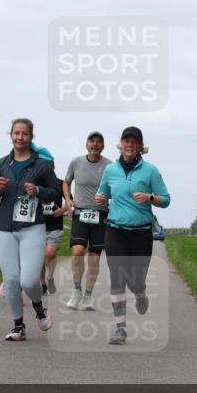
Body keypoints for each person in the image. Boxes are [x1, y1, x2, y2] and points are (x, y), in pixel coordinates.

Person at [0, 119, 60, 341]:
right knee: (10, 281)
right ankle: (18, 326)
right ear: (11, 135)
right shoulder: (1, 164)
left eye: (24, 134)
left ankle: (39, 309)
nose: (20, 137)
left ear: (31, 137)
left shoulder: (42, 166)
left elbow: (55, 193)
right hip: (4, 228)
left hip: (32, 228)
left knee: (28, 281)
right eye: (16, 133)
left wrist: (37, 190)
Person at [94, 126, 170, 345]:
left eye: (133, 141)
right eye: (126, 140)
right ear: (121, 144)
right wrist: (100, 199)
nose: (129, 144)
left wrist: (150, 197)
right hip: (115, 230)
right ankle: (120, 329)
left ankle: (140, 293)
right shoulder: (110, 170)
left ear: (140, 146)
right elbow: (103, 193)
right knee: (117, 278)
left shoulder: (151, 171)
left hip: (141, 234)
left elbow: (166, 200)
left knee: (136, 280)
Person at [63, 131, 113, 311]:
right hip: (81, 212)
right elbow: (66, 182)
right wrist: (68, 200)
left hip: (101, 215)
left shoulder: (110, 166)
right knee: (77, 251)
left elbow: (116, 189)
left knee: (94, 258)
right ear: (86, 144)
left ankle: (88, 296)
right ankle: (76, 290)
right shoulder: (76, 162)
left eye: (99, 142)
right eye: (92, 141)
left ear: (103, 146)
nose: (95, 144)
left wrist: (108, 197)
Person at [33, 144, 66, 295]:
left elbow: (72, 201)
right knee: (39, 256)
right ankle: (43, 283)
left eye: (47, 164)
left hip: (55, 225)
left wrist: (63, 210)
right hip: (38, 225)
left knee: (50, 253)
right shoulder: (35, 184)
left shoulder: (60, 183)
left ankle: (50, 277)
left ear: (52, 165)